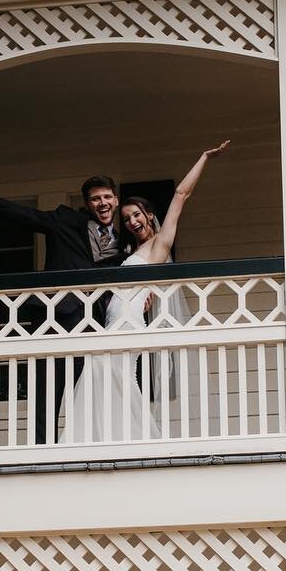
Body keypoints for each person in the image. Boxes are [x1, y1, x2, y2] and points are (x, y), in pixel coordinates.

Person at [60, 141, 230, 446]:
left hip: (129, 322)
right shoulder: (133, 250)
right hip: (116, 320)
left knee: (112, 374)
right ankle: (108, 438)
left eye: (136, 215)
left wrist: (203, 157)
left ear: (149, 214)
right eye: (126, 219)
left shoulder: (160, 245)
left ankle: (138, 440)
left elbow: (181, 195)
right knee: (108, 376)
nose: (132, 222)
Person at [0, 166, 126, 444]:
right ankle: (43, 448)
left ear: (115, 199)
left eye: (107, 197)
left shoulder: (124, 237)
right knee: (48, 389)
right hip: (58, 316)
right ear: (87, 204)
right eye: (95, 198)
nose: (103, 203)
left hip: (97, 324)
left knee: (91, 392)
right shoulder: (65, 221)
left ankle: (88, 447)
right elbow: (22, 216)